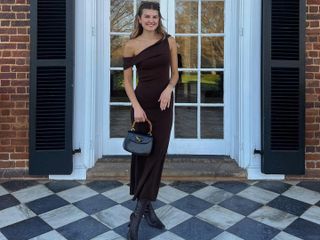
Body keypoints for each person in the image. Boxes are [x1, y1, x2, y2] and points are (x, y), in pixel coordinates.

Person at [122, 1, 178, 240]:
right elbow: (126, 82)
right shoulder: (131, 45)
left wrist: (169, 88)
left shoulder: (169, 41)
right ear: (139, 19)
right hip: (141, 106)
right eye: (147, 16)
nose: (151, 20)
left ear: (159, 19)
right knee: (142, 157)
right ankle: (146, 210)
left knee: (157, 157)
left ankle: (137, 214)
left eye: (155, 17)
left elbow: (175, 74)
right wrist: (136, 107)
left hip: (164, 105)